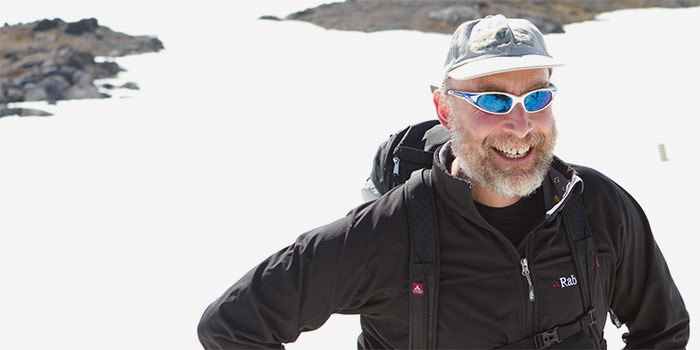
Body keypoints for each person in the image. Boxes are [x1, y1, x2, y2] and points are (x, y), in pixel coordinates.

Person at [197, 14, 689, 349]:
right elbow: (233, 327)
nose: (520, 126)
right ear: (444, 109)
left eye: (536, 99)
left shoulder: (598, 207)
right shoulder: (387, 232)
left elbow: (663, 331)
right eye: (492, 101)